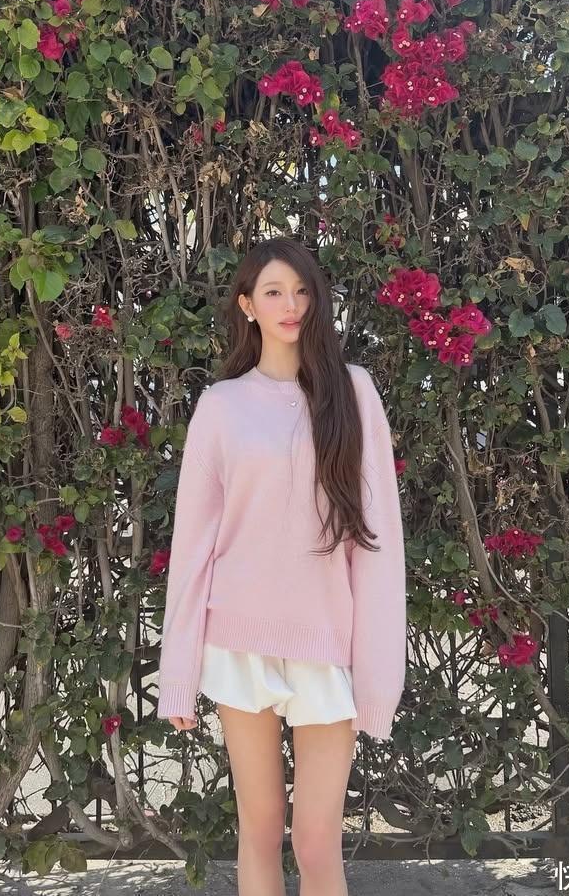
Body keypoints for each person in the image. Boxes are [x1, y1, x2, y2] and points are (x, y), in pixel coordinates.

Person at [156, 235, 407, 896]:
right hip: (239, 641)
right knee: (261, 828)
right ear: (248, 305)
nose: (290, 304)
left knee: (317, 840)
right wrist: (178, 673)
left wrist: (378, 677)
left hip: (325, 645)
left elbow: (377, 542)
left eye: (301, 291)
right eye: (273, 291)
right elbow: (194, 544)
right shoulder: (221, 406)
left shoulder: (353, 392)